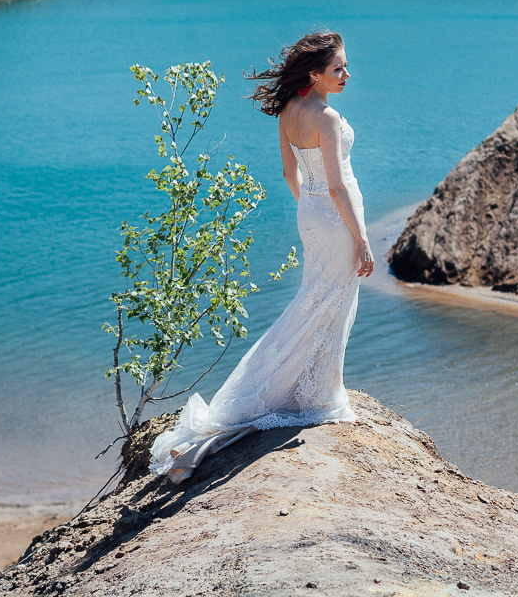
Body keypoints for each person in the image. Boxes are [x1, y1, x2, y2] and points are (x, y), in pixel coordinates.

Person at [148, 31, 373, 484]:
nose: (347, 74)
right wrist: (362, 239)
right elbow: (337, 185)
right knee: (330, 302)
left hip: (311, 215)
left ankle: (313, 387)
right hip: (336, 218)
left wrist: (308, 209)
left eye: (345, 66)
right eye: (338, 69)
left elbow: (291, 173)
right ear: (315, 74)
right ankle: (315, 394)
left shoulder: (288, 111)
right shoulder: (325, 117)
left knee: (318, 298)